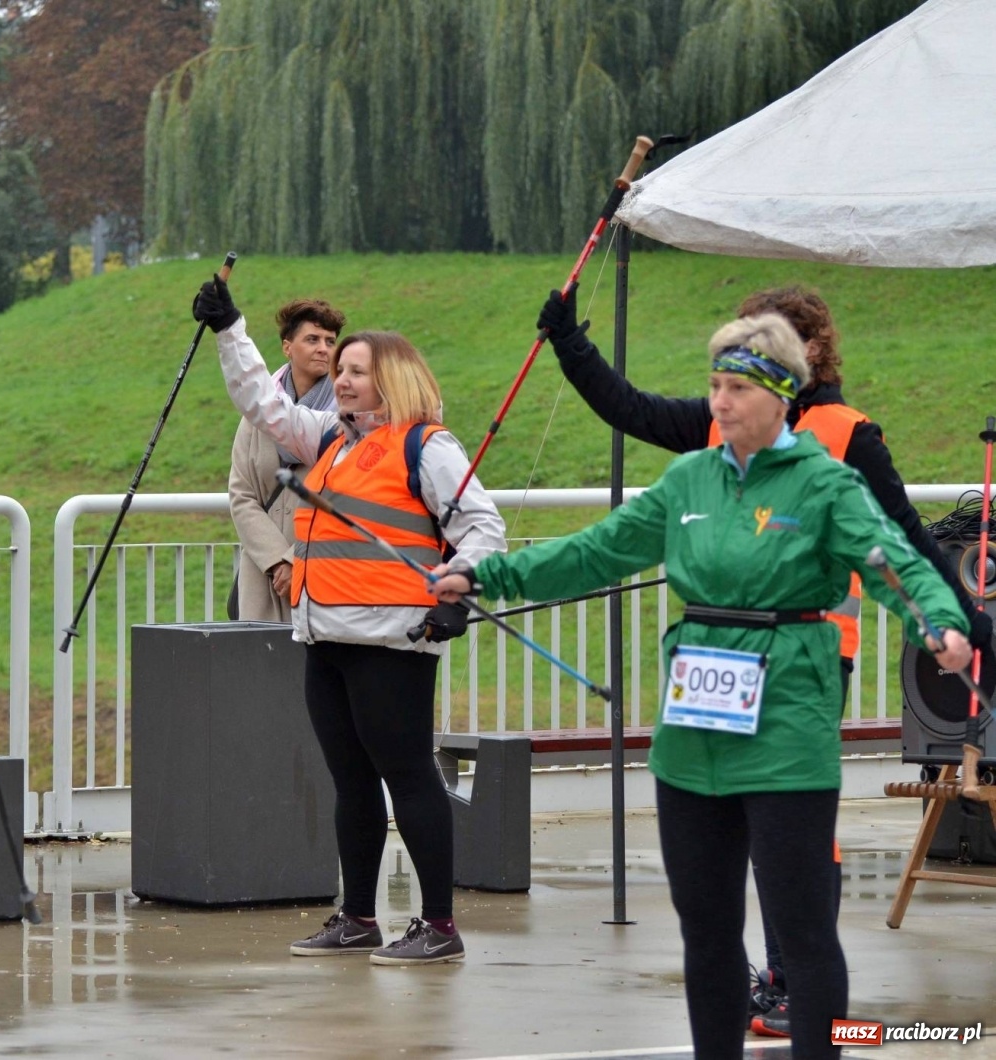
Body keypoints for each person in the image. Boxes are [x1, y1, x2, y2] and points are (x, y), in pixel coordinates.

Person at [431, 312, 972, 1058]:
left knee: (804, 928)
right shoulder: (690, 476)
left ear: (782, 394)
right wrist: (486, 573)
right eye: (714, 384)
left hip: (787, 726)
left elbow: (896, 564)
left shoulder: (825, 483)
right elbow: (597, 551)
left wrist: (938, 623)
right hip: (693, 737)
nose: (719, 402)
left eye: (737, 388)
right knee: (706, 928)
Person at [193, 274, 507, 965]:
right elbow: (264, 404)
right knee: (353, 781)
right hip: (327, 640)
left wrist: (455, 590)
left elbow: (483, 527)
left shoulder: (428, 446)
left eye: (356, 371)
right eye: (338, 371)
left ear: (390, 381)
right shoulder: (330, 441)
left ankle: (439, 926)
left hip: (392, 642)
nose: (341, 380)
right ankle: (358, 916)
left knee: (409, 777)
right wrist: (230, 332)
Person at [229, 298, 344, 622]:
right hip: (263, 573)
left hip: (321, 568)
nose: (323, 349)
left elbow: (349, 497)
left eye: (330, 341)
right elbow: (242, 495)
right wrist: (276, 561)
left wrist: (297, 559)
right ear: (287, 347)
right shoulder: (257, 414)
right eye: (312, 339)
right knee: (261, 667)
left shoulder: (348, 415)